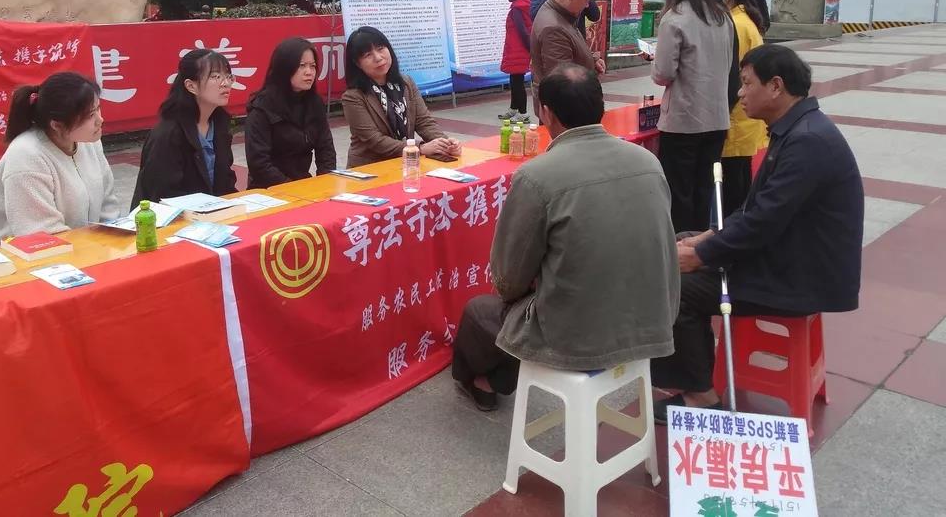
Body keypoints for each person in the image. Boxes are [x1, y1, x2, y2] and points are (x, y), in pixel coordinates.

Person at [451, 63, 679, 410]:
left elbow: (508, 281)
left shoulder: (537, 175)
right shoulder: (648, 161)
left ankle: (483, 382)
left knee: (479, 312)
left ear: (546, 113)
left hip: (578, 337)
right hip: (652, 319)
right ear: (600, 105)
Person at [653, 45, 863, 416]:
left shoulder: (807, 141)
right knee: (682, 240)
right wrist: (705, 239)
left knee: (676, 287)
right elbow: (757, 210)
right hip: (787, 254)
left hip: (797, 276)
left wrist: (701, 256)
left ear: (776, 86)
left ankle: (701, 396)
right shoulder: (797, 129)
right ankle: (691, 370)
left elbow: (761, 223)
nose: (740, 92)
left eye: (747, 83)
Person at [648, 0, 736, 234]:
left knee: (678, 192)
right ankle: (700, 244)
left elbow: (663, 74)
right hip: (717, 118)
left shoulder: (675, 18)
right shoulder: (723, 18)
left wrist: (654, 61)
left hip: (683, 120)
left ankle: (679, 248)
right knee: (704, 188)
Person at [0, 72, 119, 244]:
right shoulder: (26, 156)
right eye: (90, 115)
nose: (100, 120)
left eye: (98, 108)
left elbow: (108, 207)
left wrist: (113, 242)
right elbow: (41, 235)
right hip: (31, 254)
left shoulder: (89, 142)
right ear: (57, 125)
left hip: (87, 247)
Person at [130, 48, 238, 207]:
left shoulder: (220, 124)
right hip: (173, 216)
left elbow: (226, 181)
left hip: (215, 212)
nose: (226, 83)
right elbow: (162, 194)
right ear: (191, 86)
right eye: (215, 77)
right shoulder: (168, 133)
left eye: (228, 76)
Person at [341, 26, 461, 167]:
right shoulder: (353, 97)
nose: (378, 58)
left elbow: (424, 122)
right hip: (370, 167)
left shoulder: (406, 83)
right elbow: (374, 140)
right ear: (357, 63)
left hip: (407, 163)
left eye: (380, 48)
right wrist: (420, 148)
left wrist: (445, 143)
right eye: (368, 55)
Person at [244, 37, 337, 188]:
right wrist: (291, 187)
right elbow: (259, 163)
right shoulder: (261, 108)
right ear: (284, 68)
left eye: (313, 66)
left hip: (303, 184)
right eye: (302, 66)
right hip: (269, 189)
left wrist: (324, 183)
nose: (309, 72)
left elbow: (326, 148)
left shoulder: (314, 102)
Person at [719, 0, 768, 215]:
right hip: (745, 112)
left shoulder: (735, 24)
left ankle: (734, 224)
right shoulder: (746, 19)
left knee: (733, 180)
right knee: (740, 173)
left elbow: (730, 71)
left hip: (736, 112)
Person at [530, 0, 606, 116]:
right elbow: (564, 80)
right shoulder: (553, 28)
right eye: (587, 0)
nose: (587, 5)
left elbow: (571, 45)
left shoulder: (561, 14)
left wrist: (591, 59)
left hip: (569, 104)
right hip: (565, 112)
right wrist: (589, 71)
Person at [500, 0, 533, 116]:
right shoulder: (527, 4)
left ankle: (523, 113)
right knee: (514, 81)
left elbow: (522, 31)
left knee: (517, 83)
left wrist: (531, 50)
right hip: (520, 50)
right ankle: (513, 109)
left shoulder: (517, 8)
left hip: (518, 51)